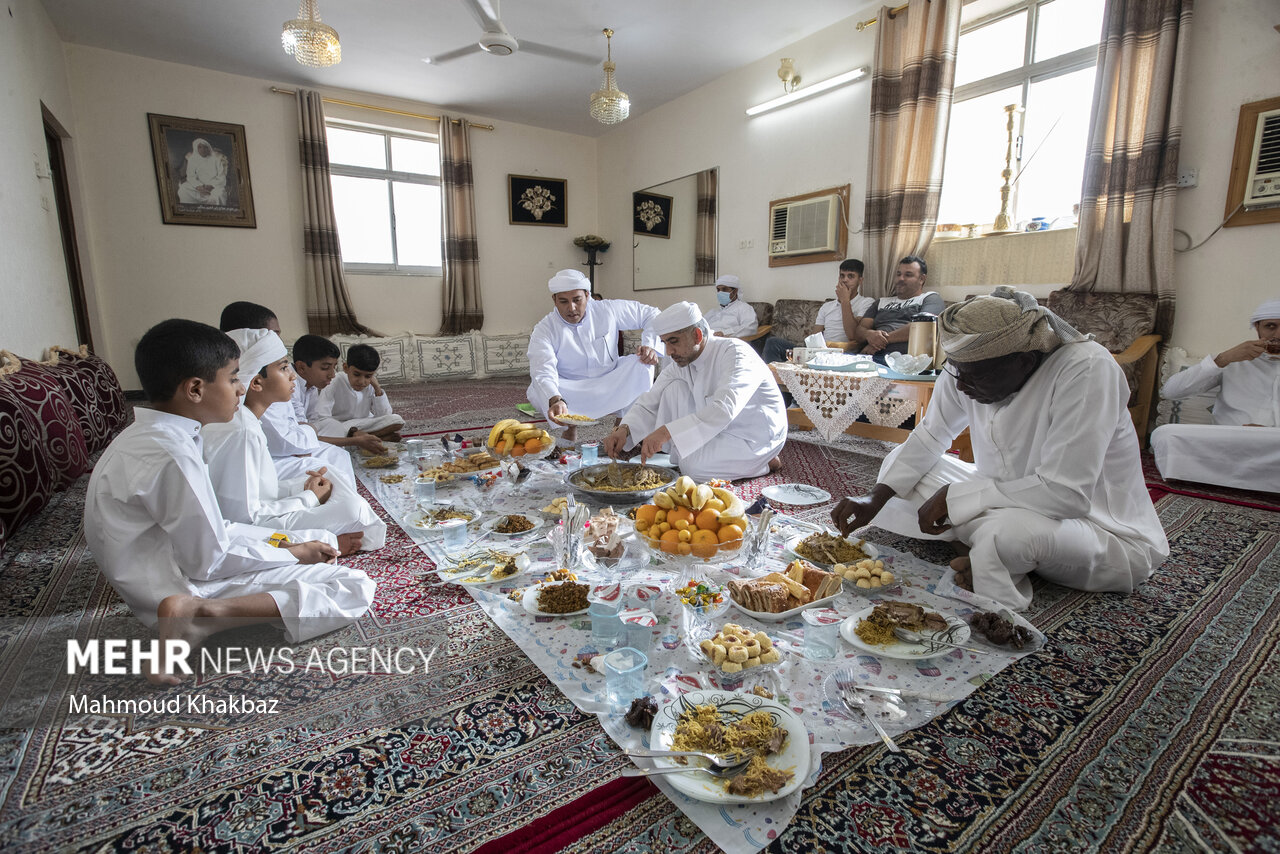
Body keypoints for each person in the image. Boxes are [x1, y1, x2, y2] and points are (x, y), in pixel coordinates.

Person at [830, 287, 1168, 610]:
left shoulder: (1086, 369)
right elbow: (930, 436)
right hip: (1002, 498)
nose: (961, 385)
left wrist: (956, 499)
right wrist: (875, 496)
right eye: (957, 371)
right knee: (899, 476)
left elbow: (1066, 493)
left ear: (1021, 363)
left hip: (1094, 527)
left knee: (1006, 533)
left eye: (972, 376)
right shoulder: (972, 363)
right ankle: (987, 551)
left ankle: (990, 567)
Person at [83, 320, 376, 684]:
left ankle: (204, 609)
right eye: (233, 378)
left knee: (316, 542)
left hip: (165, 570)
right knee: (352, 586)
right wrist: (292, 552)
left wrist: (288, 545)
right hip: (178, 585)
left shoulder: (150, 435)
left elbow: (218, 527)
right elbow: (211, 558)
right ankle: (202, 615)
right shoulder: (173, 452)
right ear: (195, 389)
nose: (240, 389)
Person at [203, 327, 387, 552]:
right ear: (256, 382)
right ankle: (321, 541)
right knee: (353, 508)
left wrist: (302, 488)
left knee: (333, 482)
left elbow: (263, 491)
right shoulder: (243, 431)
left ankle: (326, 532)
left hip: (266, 509)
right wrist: (308, 497)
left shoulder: (248, 422)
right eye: (283, 367)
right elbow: (245, 520)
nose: (292, 375)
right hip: (255, 530)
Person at [603, 301, 787, 481]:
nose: (668, 351)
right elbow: (652, 399)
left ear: (697, 335)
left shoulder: (735, 353)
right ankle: (733, 461)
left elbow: (723, 409)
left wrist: (667, 432)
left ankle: (765, 462)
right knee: (672, 388)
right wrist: (624, 429)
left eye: (673, 341)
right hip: (718, 430)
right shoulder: (683, 361)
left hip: (753, 436)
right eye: (665, 342)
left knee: (693, 469)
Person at [218, 302, 363, 485]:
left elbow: (298, 422)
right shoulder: (259, 388)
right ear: (254, 337)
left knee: (337, 457)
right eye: (274, 334)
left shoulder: (273, 382)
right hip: (276, 458)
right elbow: (288, 442)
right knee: (335, 476)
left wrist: (305, 432)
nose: (292, 375)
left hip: (290, 446)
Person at [1149, 299, 1280, 492]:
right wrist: (1222, 359)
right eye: (1271, 326)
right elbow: (1171, 392)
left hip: (1274, 445)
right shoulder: (1233, 359)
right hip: (1231, 442)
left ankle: (1219, 479)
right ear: (1257, 328)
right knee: (1165, 434)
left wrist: (1268, 431)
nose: (1278, 334)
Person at [526, 268, 662, 440]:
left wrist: (649, 345)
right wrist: (555, 400)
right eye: (563, 301)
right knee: (538, 389)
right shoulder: (544, 329)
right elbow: (542, 369)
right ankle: (570, 426)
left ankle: (623, 425)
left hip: (610, 380)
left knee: (642, 363)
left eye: (577, 300)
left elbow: (652, 314)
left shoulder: (607, 309)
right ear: (554, 300)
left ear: (588, 295)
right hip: (570, 390)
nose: (571, 308)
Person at [762, 259, 875, 363]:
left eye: (851, 276)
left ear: (860, 280)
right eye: (842, 276)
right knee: (773, 343)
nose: (845, 280)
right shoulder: (827, 306)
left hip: (844, 352)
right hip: (821, 351)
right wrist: (815, 349)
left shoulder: (866, 303)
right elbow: (815, 337)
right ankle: (775, 381)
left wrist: (845, 301)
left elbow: (852, 335)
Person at [850, 256, 944, 361]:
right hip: (870, 357)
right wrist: (869, 334)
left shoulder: (930, 298)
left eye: (908, 275)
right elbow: (860, 330)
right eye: (898, 274)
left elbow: (921, 327)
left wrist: (880, 341)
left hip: (905, 360)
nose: (901, 279)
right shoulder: (881, 302)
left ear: (921, 279)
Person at [312, 344, 405, 441]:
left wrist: (377, 388)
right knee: (330, 430)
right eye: (357, 374)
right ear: (346, 368)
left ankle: (359, 438)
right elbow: (322, 417)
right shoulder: (334, 381)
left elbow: (385, 415)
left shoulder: (371, 384)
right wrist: (335, 428)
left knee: (396, 420)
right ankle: (372, 438)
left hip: (363, 423)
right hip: (340, 425)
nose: (362, 381)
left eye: (368, 376)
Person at [704, 274, 759, 338]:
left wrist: (724, 333)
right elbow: (699, 325)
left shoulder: (744, 308)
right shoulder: (713, 311)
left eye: (724, 289)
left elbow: (750, 327)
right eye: (718, 290)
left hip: (729, 342)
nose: (720, 293)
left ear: (735, 291)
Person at [176, 138, 229, 206]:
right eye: (200, 147)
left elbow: (221, 177)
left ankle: (213, 212)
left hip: (213, 186)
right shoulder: (192, 160)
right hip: (198, 186)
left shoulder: (216, 160)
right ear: (196, 148)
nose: (203, 149)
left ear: (209, 148)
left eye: (205, 147)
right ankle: (191, 210)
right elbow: (191, 176)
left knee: (219, 194)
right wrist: (198, 186)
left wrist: (211, 185)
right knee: (184, 189)